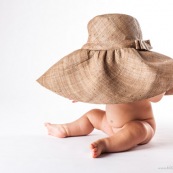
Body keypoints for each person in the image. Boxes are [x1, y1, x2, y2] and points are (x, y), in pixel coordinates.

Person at [37, 14, 173, 158]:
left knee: (137, 129)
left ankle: (107, 144)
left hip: (141, 124)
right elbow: (97, 88)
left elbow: (156, 96)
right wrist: (81, 93)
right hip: (108, 123)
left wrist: (158, 85)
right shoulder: (109, 78)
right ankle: (65, 129)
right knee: (92, 115)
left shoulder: (142, 76)